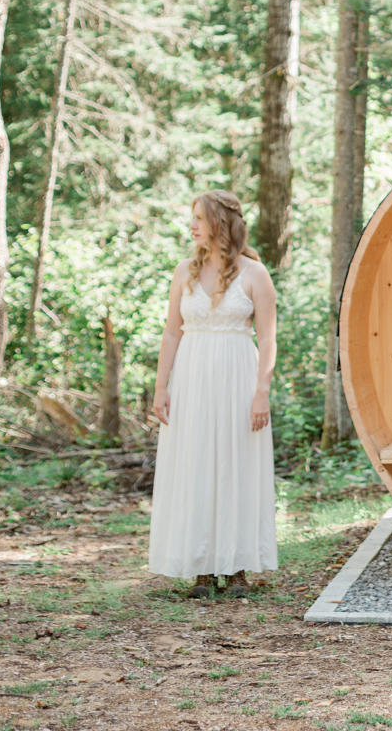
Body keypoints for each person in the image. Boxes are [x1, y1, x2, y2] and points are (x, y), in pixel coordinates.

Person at [148, 191, 279, 598]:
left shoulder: (255, 273)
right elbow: (172, 331)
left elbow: (268, 336)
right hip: (192, 377)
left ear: (220, 223)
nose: (192, 226)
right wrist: (160, 387)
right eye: (193, 218)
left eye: (200, 218)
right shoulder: (183, 270)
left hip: (238, 376)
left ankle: (237, 565)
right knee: (196, 462)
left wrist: (262, 392)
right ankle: (202, 566)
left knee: (237, 462)